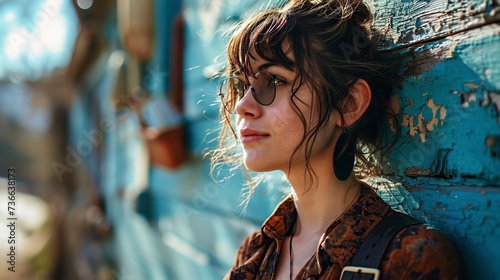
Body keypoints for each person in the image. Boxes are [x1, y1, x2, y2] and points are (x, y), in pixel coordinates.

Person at [210, 0, 462, 279]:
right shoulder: (254, 253)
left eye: (275, 81)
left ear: (348, 104)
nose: (243, 105)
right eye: (244, 85)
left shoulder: (406, 257)